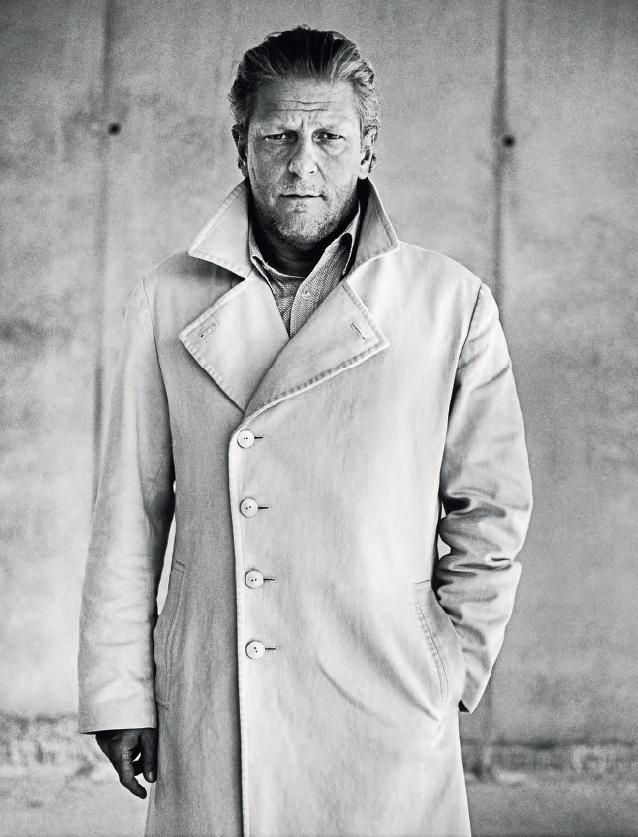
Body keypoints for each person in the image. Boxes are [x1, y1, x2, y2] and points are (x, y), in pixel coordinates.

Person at [78, 25, 533, 837]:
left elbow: (491, 508)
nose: (302, 162)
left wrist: (450, 663)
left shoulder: (449, 302)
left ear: (368, 148)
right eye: (278, 136)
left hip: (385, 694)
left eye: (329, 137)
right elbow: (129, 513)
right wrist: (121, 691)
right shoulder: (168, 299)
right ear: (241, 147)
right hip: (219, 690)